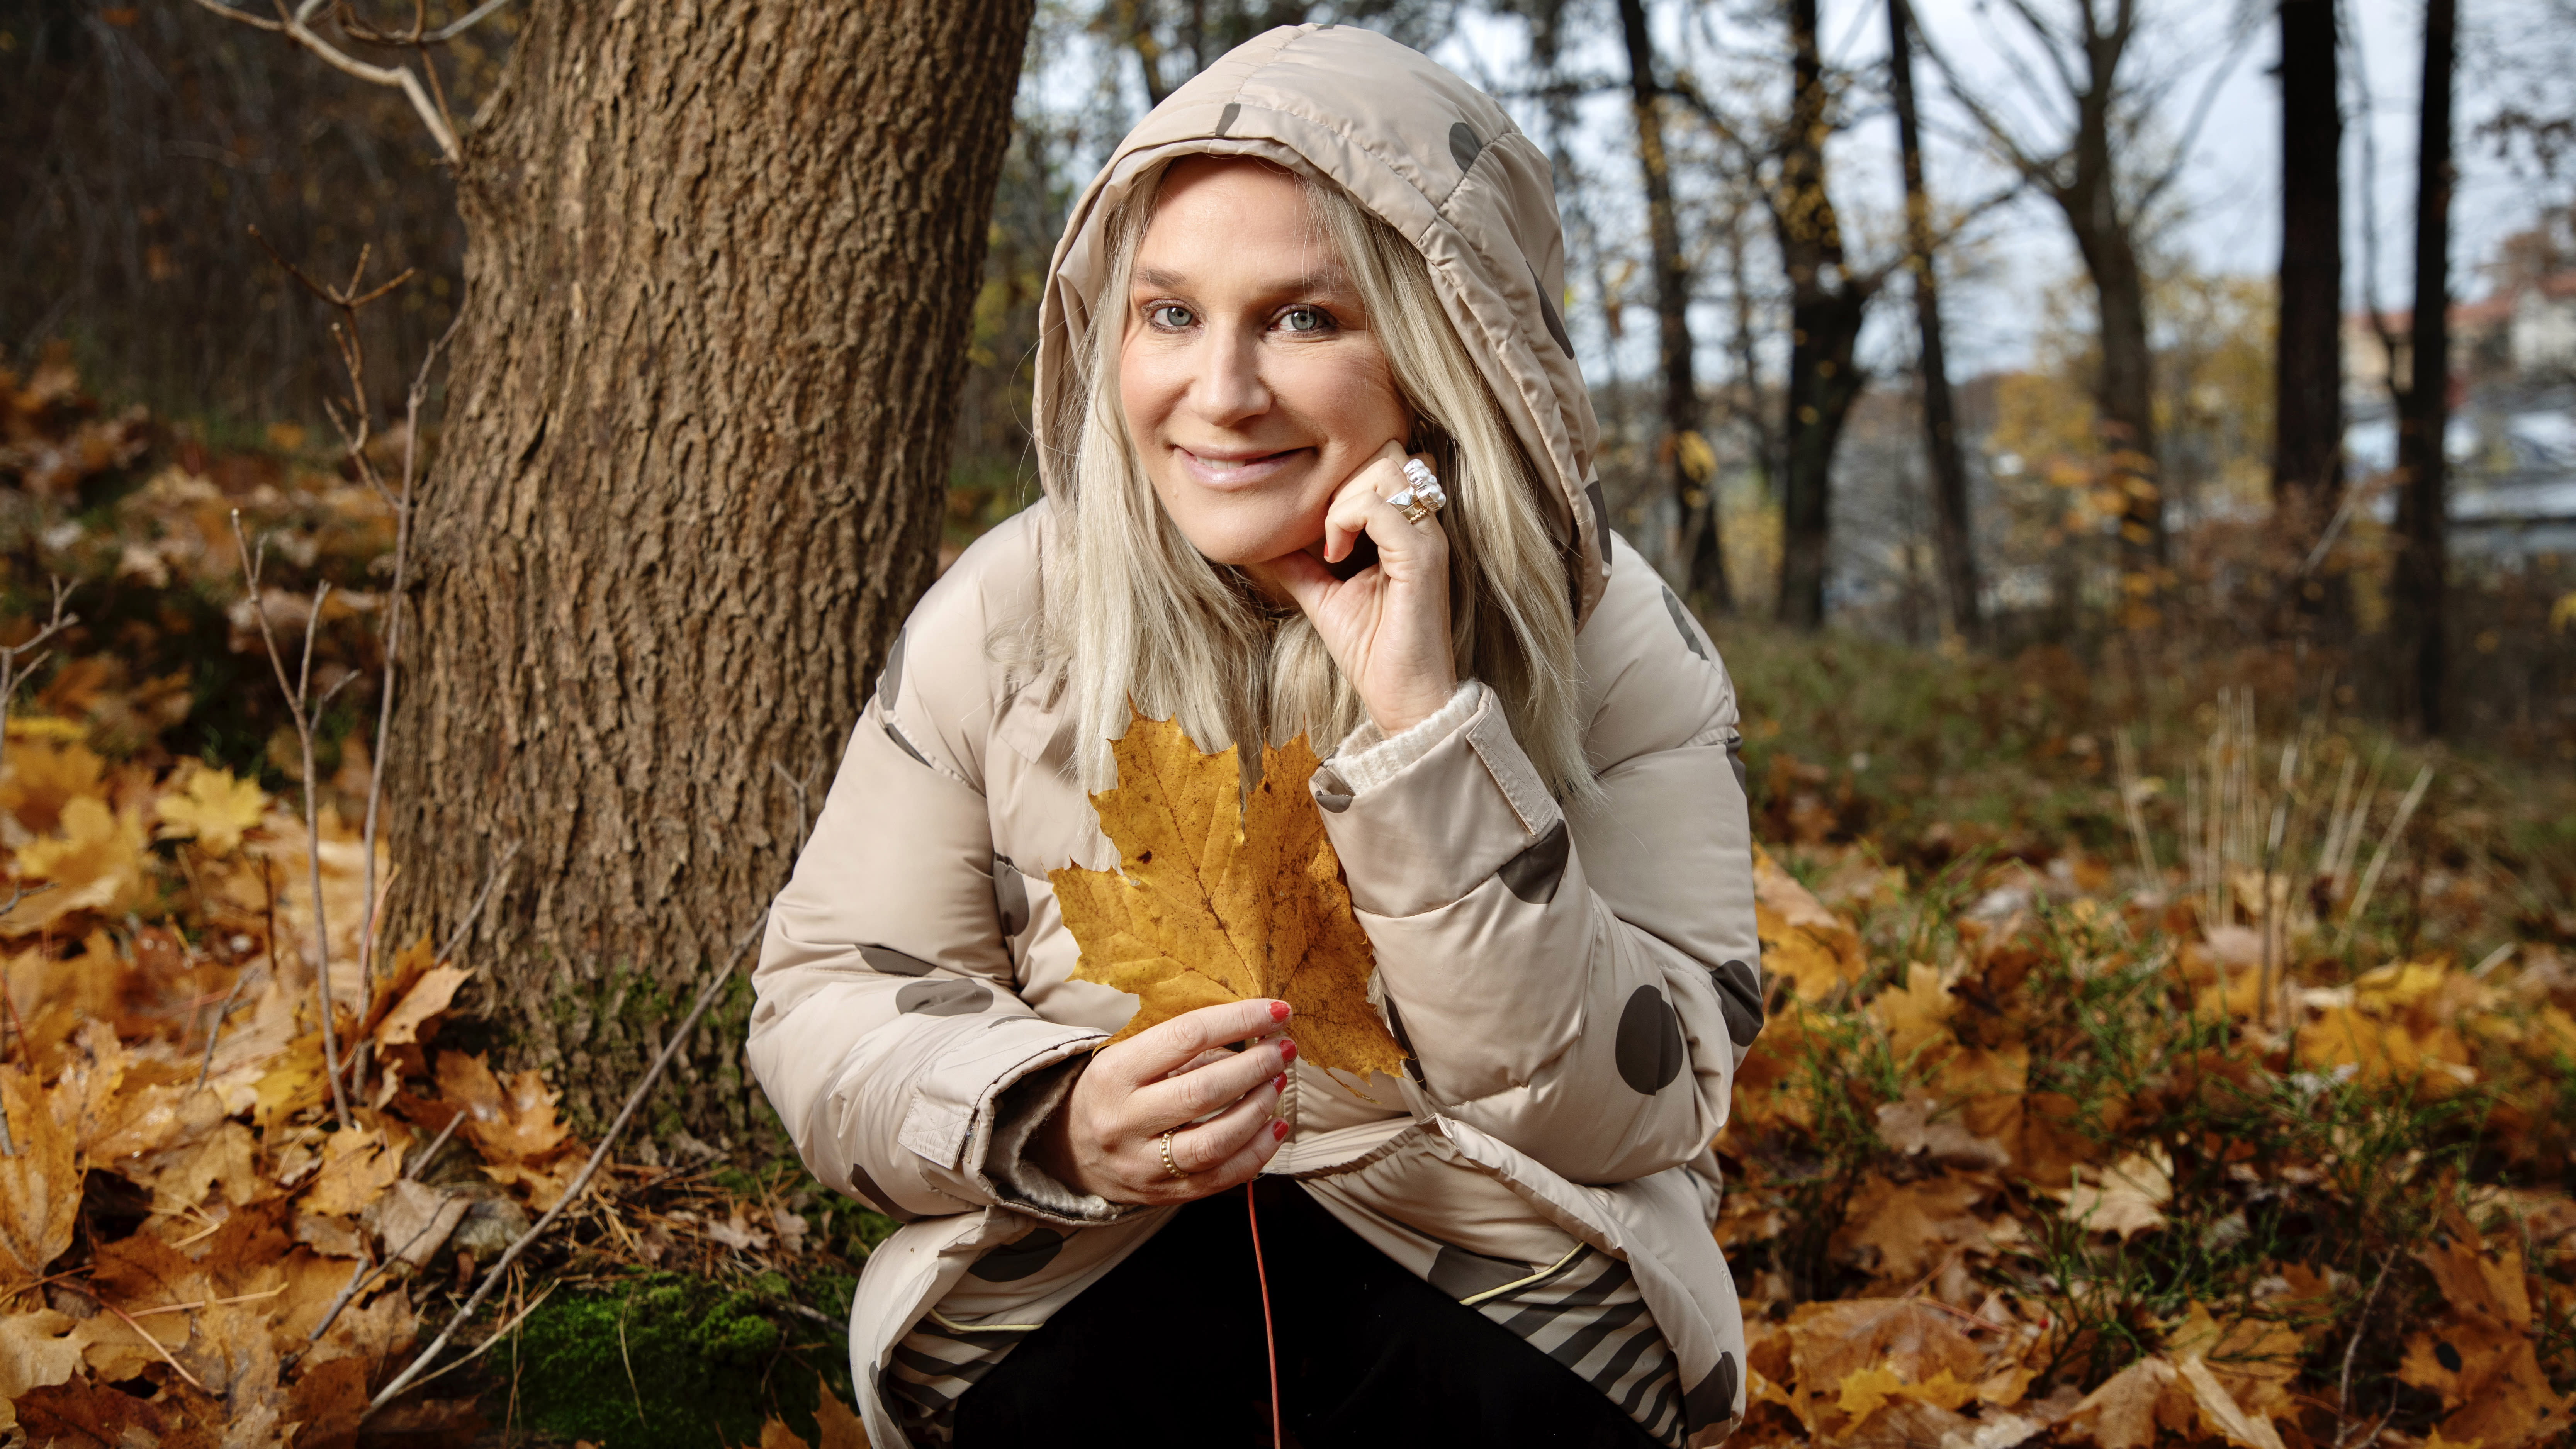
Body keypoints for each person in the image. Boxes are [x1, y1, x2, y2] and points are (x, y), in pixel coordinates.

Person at [747, 24, 1764, 1449]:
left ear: (1440, 344)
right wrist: (1047, 1114)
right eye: (1169, 315)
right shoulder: (1012, 611)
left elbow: (1642, 1108)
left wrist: (1429, 732)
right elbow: (829, 996)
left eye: (1304, 319)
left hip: (1497, 1259)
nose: (1218, 394)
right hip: (1089, 1254)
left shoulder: (1603, 632)